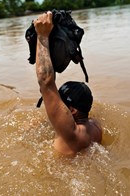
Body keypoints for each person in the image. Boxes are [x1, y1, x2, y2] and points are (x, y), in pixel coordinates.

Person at [33, 11, 102, 155]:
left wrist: (43, 36)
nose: (57, 103)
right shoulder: (95, 125)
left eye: (62, 103)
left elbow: (46, 83)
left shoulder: (72, 133)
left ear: (72, 111)